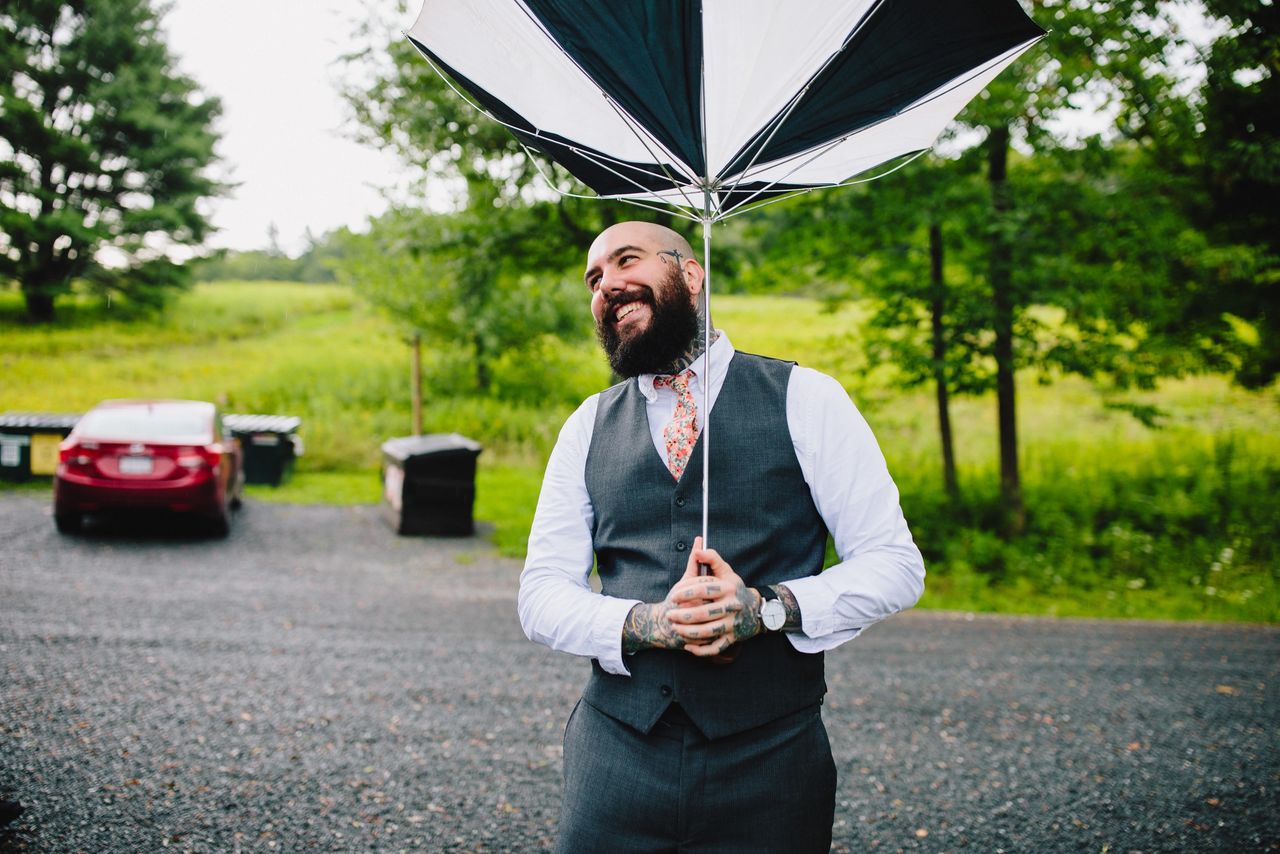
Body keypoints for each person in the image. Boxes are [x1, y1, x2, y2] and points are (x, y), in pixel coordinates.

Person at [518, 220, 925, 853]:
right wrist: (650, 623)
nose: (608, 285)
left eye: (628, 260)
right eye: (594, 279)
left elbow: (894, 565)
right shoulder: (586, 426)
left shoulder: (808, 399)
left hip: (770, 760)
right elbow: (541, 593)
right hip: (615, 756)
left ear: (692, 272)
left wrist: (765, 610)